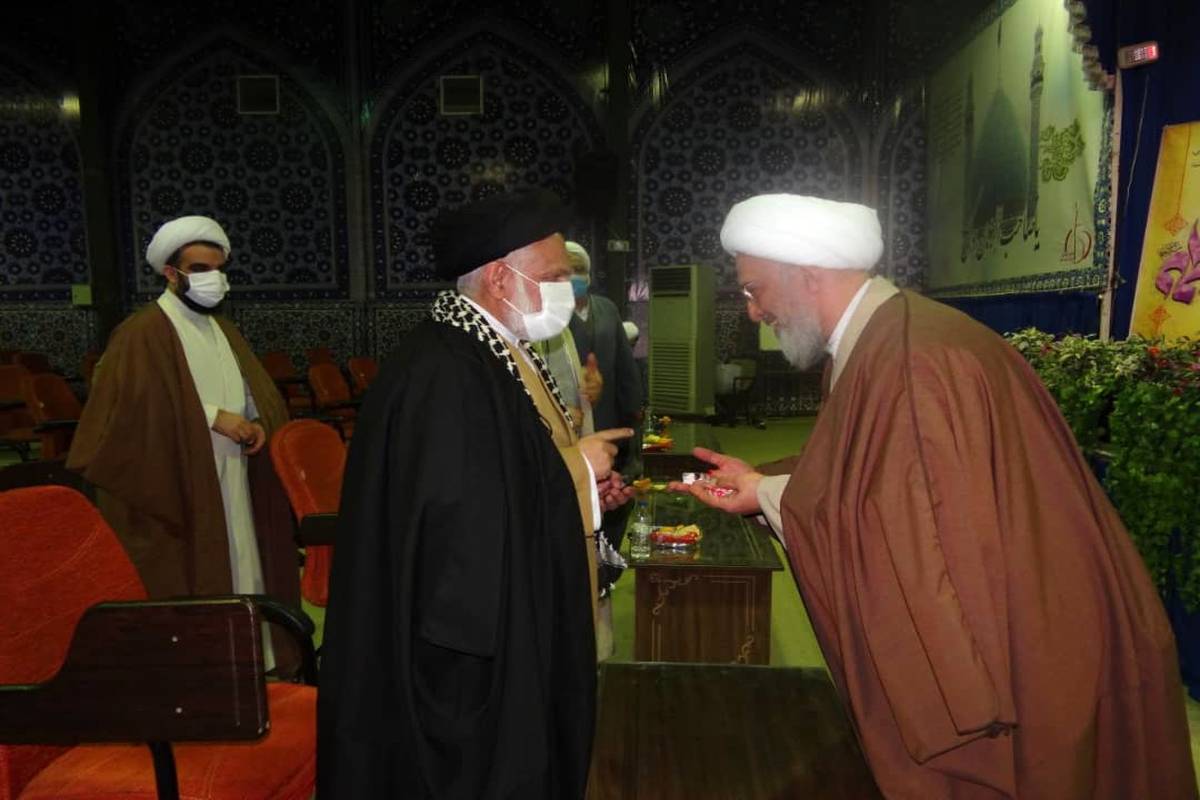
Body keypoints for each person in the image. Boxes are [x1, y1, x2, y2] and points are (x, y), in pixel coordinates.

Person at [671, 193, 1197, 799]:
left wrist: (768, 494)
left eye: (754, 289)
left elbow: (909, 539)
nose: (753, 310)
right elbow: (875, 477)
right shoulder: (887, 338)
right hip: (1040, 607)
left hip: (1035, 647)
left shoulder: (911, 362)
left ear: (809, 275)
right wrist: (762, 485)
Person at [317, 190, 632, 798]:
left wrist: (585, 490)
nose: (565, 292)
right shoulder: (446, 368)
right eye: (553, 278)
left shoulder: (495, 347)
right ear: (499, 278)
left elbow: (508, 472)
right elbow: (464, 523)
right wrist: (575, 470)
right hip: (462, 661)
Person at [67, 215, 299, 667]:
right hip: (180, 482)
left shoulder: (224, 330)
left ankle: (250, 663)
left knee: (243, 567)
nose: (212, 279)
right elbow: (127, 413)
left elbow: (252, 392)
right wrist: (212, 418)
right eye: (199, 269)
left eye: (218, 269)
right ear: (171, 273)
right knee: (198, 571)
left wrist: (254, 421)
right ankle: (203, 670)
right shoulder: (142, 332)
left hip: (235, 476)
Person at [566, 241, 642, 612]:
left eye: (579, 269)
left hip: (612, 419)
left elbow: (625, 364)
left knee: (617, 498)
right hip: (574, 427)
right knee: (584, 502)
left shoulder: (607, 309)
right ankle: (585, 579)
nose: (574, 278)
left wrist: (635, 406)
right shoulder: (549, 317)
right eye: (566, 271)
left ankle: (605, 575)